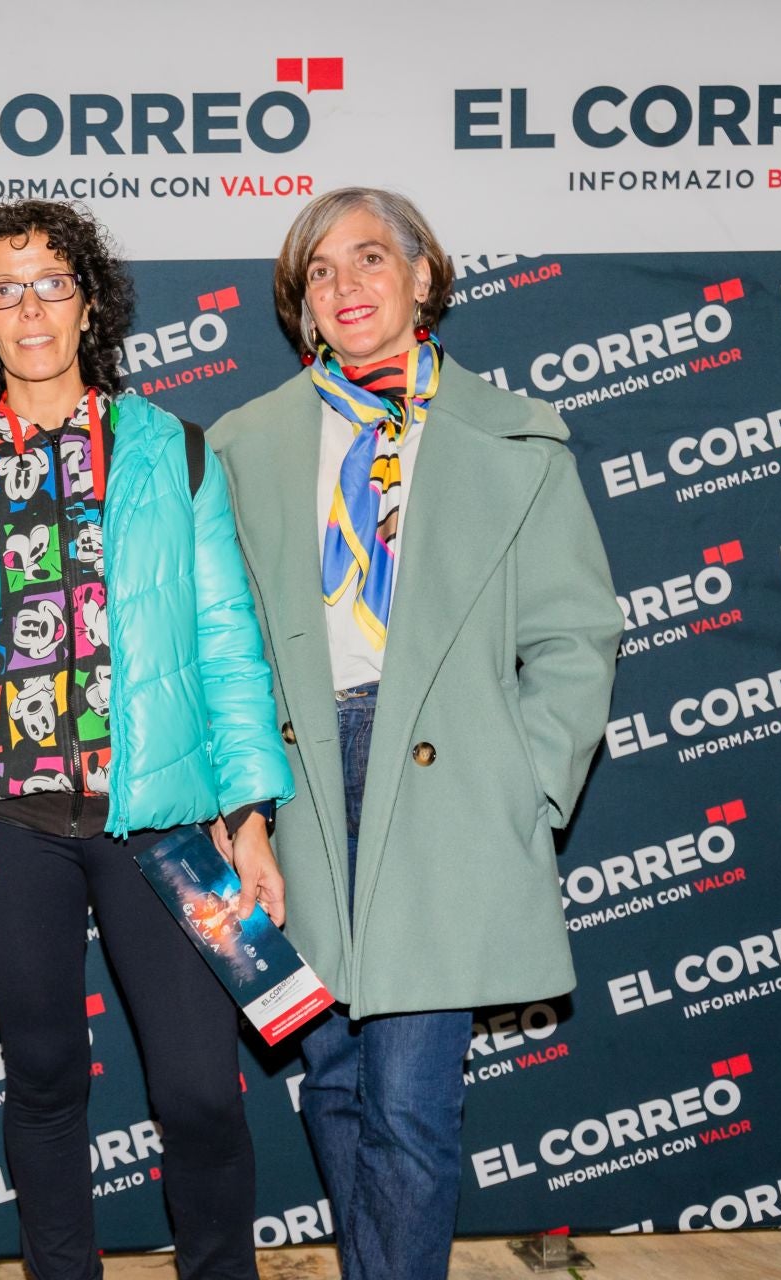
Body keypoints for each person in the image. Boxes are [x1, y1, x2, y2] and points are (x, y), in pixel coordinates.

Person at [0, 200, 294, 1280]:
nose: (29, 308)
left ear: (90, 301)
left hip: (164, 815)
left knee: (202, 1084)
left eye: (50, 282)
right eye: (4, 288)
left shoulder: (173, 449)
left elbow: (227, 639)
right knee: (47, 1076)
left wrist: (250, 813)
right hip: (9, 825)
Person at [209, 187, 619, 1280]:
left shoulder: (512, 435)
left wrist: (523, 791)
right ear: (302, 305)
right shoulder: (247, 445)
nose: (347, 286)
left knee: (409, 1096)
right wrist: (240, 800)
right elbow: (224, 638)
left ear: (423, 277)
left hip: (443, 787)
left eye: (370, 259)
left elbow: (576, 633)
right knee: (335, 1079)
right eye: (321, 272)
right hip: (302, 785)